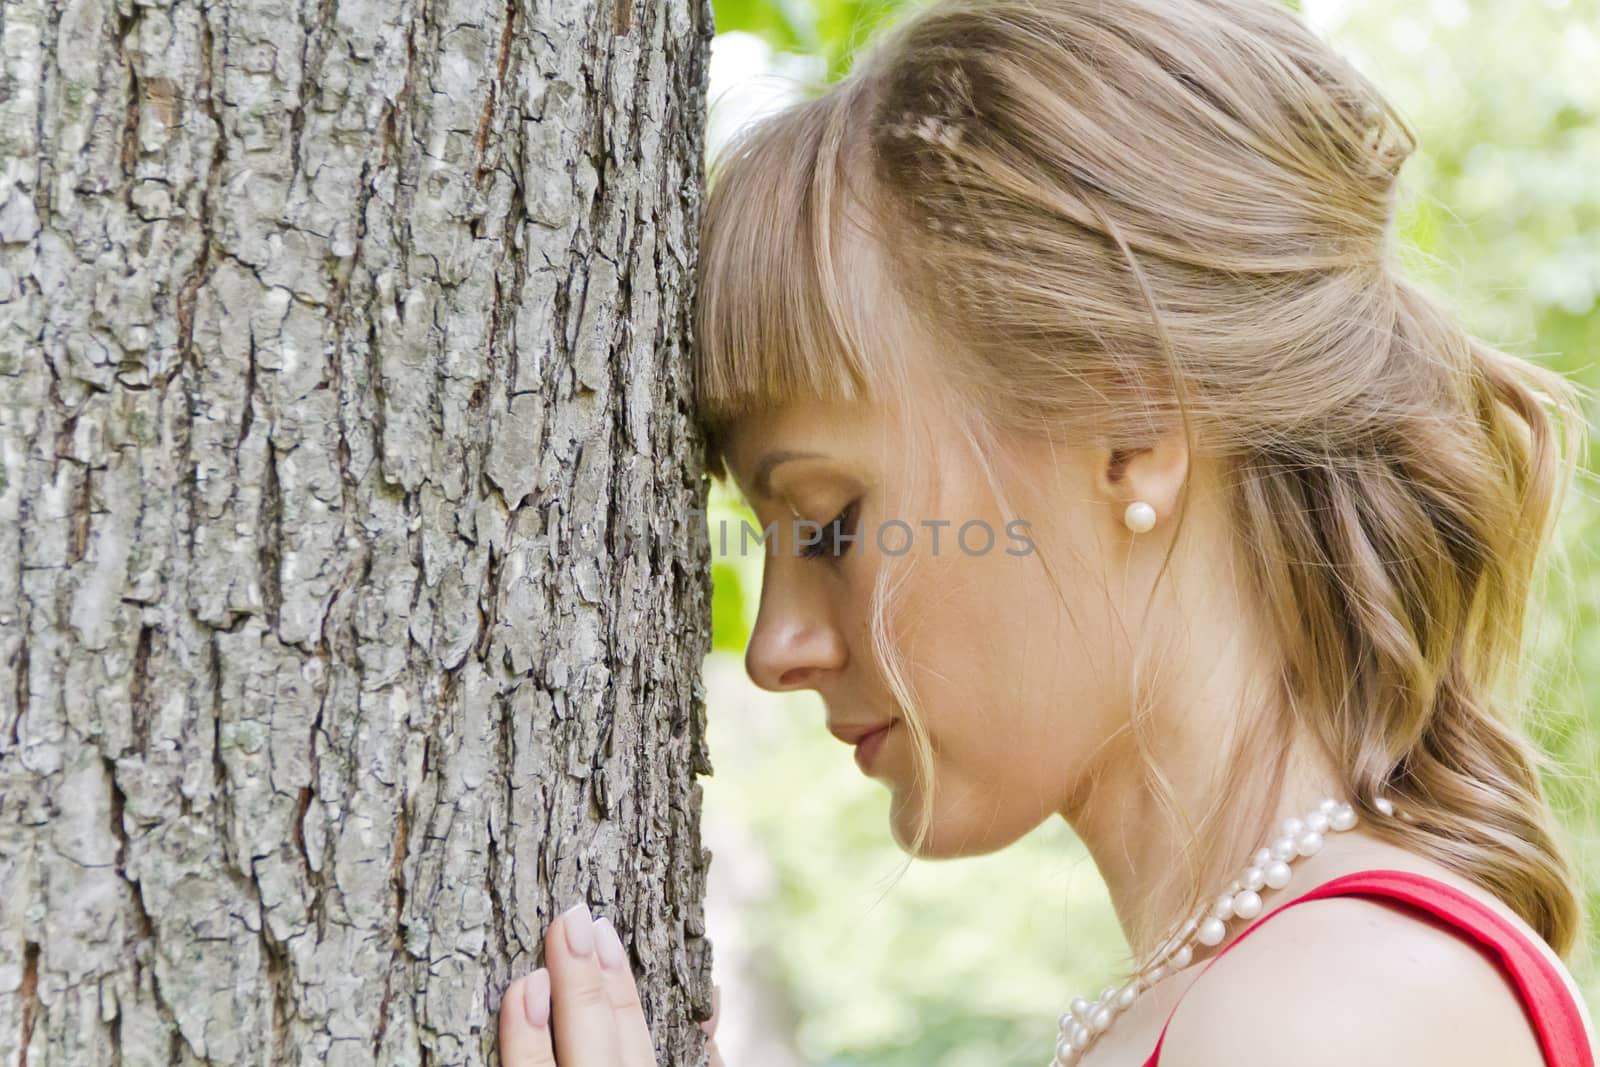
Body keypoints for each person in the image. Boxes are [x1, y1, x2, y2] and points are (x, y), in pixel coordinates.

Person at [494, 0, 1599, 1063]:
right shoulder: (1278, 985)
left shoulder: (1341, 1009)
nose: (774, 646)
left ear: (1130, 436)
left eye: (827, 523)